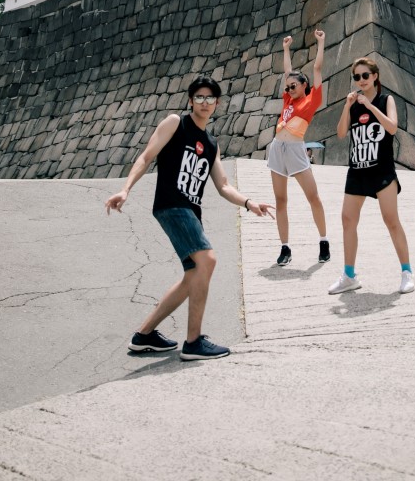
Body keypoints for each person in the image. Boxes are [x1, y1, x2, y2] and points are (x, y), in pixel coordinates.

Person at [105, 76, 275, 360]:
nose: (205, 102)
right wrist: (125, 189)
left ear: (217, 104)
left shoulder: (211, 143)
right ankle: (193, 343)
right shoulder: (176, 123)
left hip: (190, 212)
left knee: (194, 275)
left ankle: (144, 335)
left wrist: (249, 203)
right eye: (199, 97)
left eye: (210, 98)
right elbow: (147, 157)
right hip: (172, 205)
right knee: (207, 260)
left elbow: (222, 186)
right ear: (190, 101)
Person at [328, 57, 415, 295]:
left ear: (375, 76)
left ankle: (407, 272)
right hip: (357, 170)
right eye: (356, 77)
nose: (361, 80)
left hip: (382, 170)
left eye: (365, 75)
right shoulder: (354, 104)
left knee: (391, 220)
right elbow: (341, 133)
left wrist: (370, 106)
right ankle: (349, 275)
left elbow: (392, 127)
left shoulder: (386, 99)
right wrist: (347, 106)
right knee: (347, 220)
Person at [267, 29, 330, 267]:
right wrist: (285, 49)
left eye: (294, 86)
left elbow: (317, 69)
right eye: (288, 87)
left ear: (304, 86)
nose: (290, 89)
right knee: (280, 200)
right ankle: (285, 247)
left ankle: (323, 240)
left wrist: (321, 43)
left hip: (296, 150)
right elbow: (287, 71)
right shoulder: (287, 100)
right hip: (277, 149)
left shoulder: (311, 100)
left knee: (313, 197)